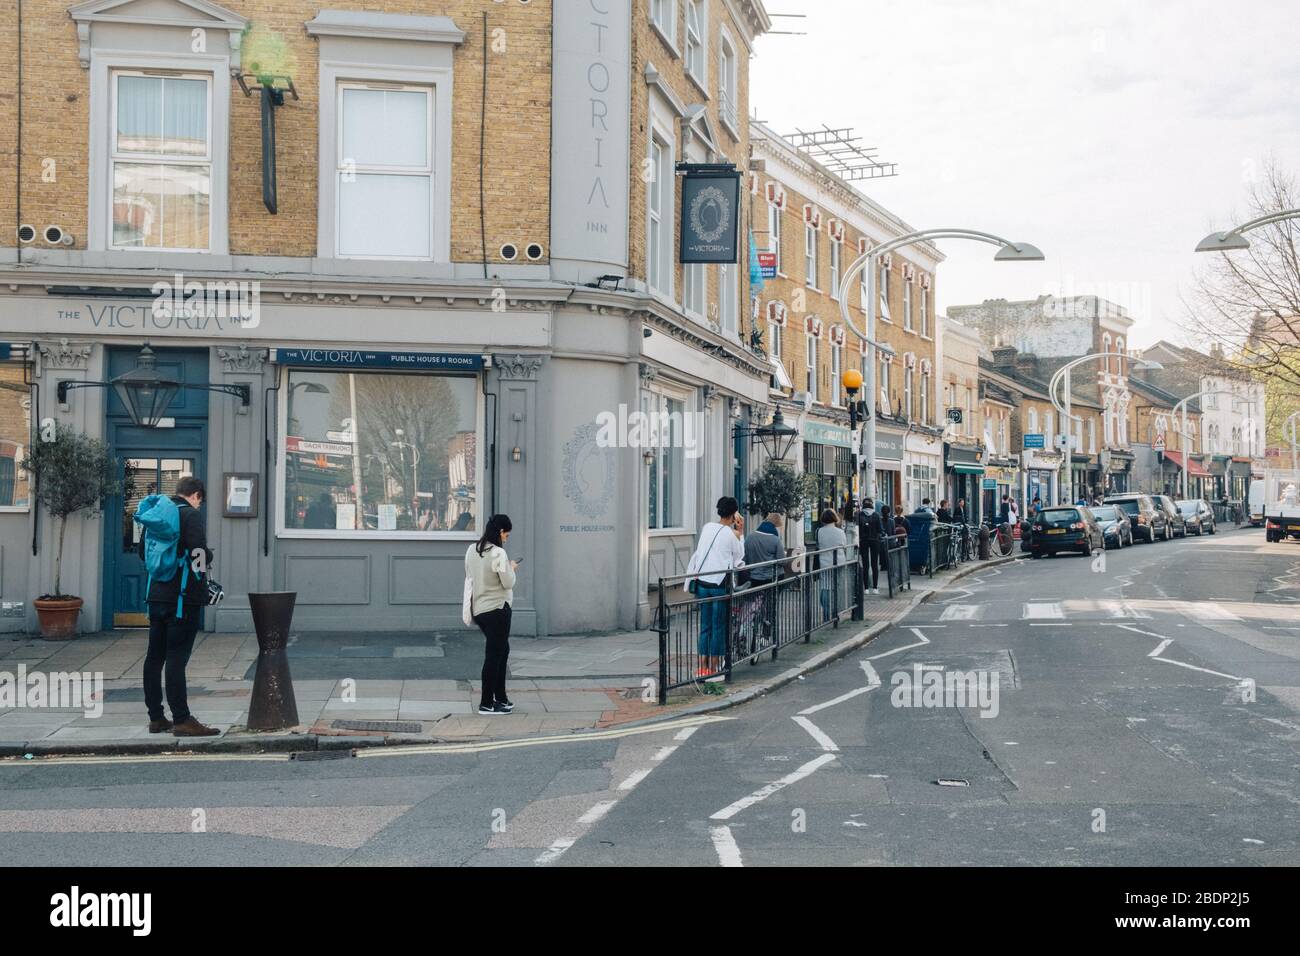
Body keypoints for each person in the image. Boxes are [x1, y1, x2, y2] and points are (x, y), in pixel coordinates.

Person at [140, 476, 219, 737]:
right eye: (200, 500)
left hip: (156, 595)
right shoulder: (190, 516)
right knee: (176, 658)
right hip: (183, 598)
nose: (199, 505)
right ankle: (183, 719)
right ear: (196, 495)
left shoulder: (157, 516)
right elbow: (197, 556)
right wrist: (208, 556)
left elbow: (143, 554)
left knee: (154, 658)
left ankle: (156, 718)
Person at [685, 497, 746, 677]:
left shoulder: (706, 528)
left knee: (705, 626)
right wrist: (740, 532)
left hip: (702, 583)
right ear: (734, 514)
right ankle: (714, 668)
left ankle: (702, 667)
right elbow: (738, 558)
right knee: (719, 627)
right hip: (720, 584)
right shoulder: (730, 534)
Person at [466, 514, 519, 715]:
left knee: (502, 651)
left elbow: (471, 575)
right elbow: (508, 582)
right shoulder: (497, 554)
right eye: (506, 534)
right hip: (497, 609)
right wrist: (512, 568)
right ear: (500, 532)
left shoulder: (472, 549)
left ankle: (501, 698)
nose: (506, 538)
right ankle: (487, 704)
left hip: (480, 610)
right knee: (494, 656)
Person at [816, 509, 848, 621]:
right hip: (839, 562)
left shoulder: (819, 531)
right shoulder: (840, 532)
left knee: (825, 587)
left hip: (824, 563)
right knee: (837, 587)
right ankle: (836, 613)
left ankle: (826, 614)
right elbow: (844, 545)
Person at [858, 498, 885, 594]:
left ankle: (865, 588)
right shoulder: (876, 515)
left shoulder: (859, 515)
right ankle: (875, 587)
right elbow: (880, 529)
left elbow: (857, 529)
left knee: (865, 564)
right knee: (874, 564)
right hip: (875, 540)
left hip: (863, 541)